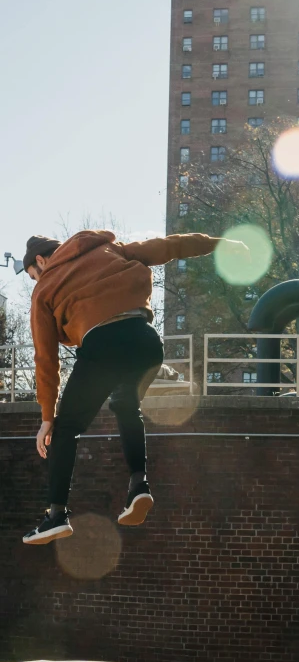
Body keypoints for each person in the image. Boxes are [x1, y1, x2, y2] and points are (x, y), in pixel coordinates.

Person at [21, 229, 238, 545]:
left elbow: (45, 358)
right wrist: (221, 244)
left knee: (65, 428)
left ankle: (55, 515)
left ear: (41, 260)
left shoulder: (44, 290)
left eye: (33, 274)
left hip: (102, 345)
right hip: (146, 341)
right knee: (126, 404)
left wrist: (46, 417)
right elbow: (168, 246)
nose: (36, 282)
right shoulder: (108, 249)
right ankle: (139, 485)